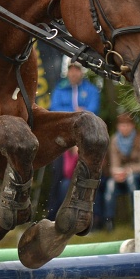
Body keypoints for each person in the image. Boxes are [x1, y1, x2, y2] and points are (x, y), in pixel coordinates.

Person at [45, 62, 101, 220]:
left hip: (85, 139)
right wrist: (76, 113)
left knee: (88, 175)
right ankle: (53, 214)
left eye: (77, 70)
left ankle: (92, 216)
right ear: (68, 73)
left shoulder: (90, 89)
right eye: (71, 70)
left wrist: (80, 113)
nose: (74, 73)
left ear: (81, 72)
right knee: (58, 175)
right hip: (63, 139)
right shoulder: (60, 89)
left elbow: (93, 110)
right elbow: (54, 110)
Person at [103, 113, 140, 231]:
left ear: (133, 126)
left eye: (127, 125)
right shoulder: (115, 140)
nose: (124, 128)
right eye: (122, 125)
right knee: (110, 184)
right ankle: (109, 221)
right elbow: (114, 164)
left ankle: (136, 217)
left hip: (138, 175)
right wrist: (117, 172)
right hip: (122, 175)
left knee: (131, 181)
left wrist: (129, 170)